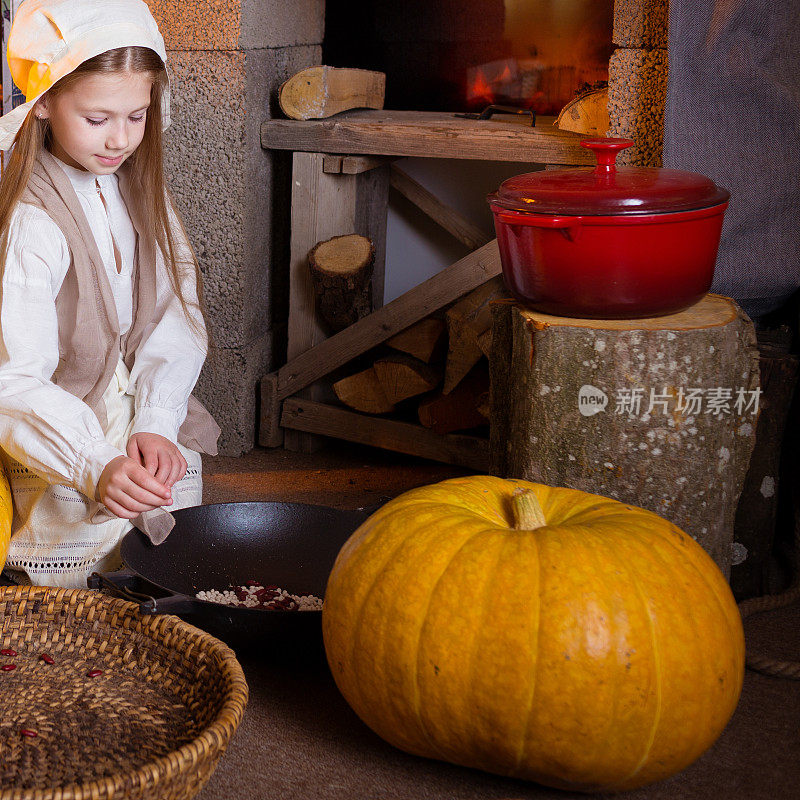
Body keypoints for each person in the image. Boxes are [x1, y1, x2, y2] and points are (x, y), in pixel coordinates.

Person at [0, 0, 220, 588]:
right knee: (82, 551)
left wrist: (156, 418)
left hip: (131, 401)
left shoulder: (139, 190)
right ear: (43, 102)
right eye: (98, 119)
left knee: (172, 493)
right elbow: (12, 379)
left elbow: (176, 310)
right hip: (57, 421)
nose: (120, 139)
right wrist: (94, 463)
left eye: (137, 116)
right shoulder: (31, 221)